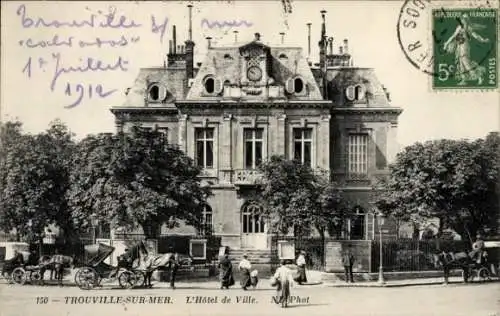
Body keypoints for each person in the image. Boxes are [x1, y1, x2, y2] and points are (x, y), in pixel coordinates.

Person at [443, 13, 490, 85]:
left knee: (466, 63)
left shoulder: (468, 28)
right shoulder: (459, 27)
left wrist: (483, 40)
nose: (462, 20)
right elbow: (453, 36)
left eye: (464, 19)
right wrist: (446, 43)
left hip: (465, 47)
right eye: (462, 19)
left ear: (467, 20)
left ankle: (479, 77)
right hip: (459, 47)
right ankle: (463, 80)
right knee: (460, 64)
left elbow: (475, 35)